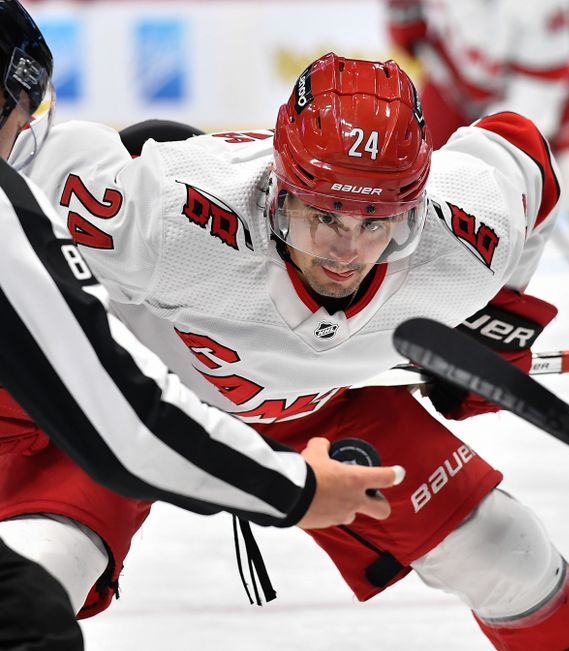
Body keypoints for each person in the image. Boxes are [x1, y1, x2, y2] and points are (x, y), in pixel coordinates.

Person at [19, 50, 569, 649]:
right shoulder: (164, 213)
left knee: (508, 552)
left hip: (317, 409)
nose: (347, 253)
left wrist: (491, 326)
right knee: (37, 577)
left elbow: (527, 156)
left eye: (379, 222)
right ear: (279, 194)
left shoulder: (466, 230)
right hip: (134, 404)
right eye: (323, 218)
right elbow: (24, 169)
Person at [0, 2, 402, 646]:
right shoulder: (19, 207)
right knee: (23, 616)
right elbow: (123, 424)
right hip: (80, 433)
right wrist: (296, 489)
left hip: (55, 445)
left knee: (26, 599)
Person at [385, 0, 569, 330]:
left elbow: (525, 124)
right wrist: (408, 31)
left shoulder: (546, 12)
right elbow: (406, 15)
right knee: (408, 178)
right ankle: (394, 296)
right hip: (453, 84)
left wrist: (488, 142)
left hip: (546, 95)